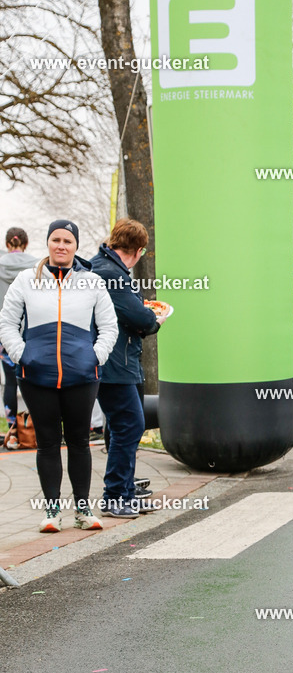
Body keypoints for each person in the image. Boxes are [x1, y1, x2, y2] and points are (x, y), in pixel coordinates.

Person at [0, 219, 118, 531]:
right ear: (48, 242)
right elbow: (7, 322)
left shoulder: (92, 282)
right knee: (47, 443)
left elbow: (109, 327)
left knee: (79, 442)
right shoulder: (27, 279)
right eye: (56, 239)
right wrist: (22, 355)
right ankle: (52, 511)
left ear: (76, 246)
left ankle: (83, 509)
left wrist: (94, 357)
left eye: (68, 241)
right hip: (37, 376)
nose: (61, 246)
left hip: (82, 376)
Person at [90, 219, 167, 518]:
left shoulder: (108, 268)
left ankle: (126, 493)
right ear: (137, 250)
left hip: (122, 361)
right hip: (114, 364)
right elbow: (140, 318)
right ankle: (114, 497)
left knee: (121, 426)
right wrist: (154, 319)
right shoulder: (110, 274)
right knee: (130, 425)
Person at [0, 227, 40, 441]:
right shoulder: (37, 266)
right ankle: (34, 428)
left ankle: (13, 431)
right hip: (31, 332)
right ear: (26, 243)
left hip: (4, 333)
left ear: (8, 244)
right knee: (34, 379)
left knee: (10, 380)